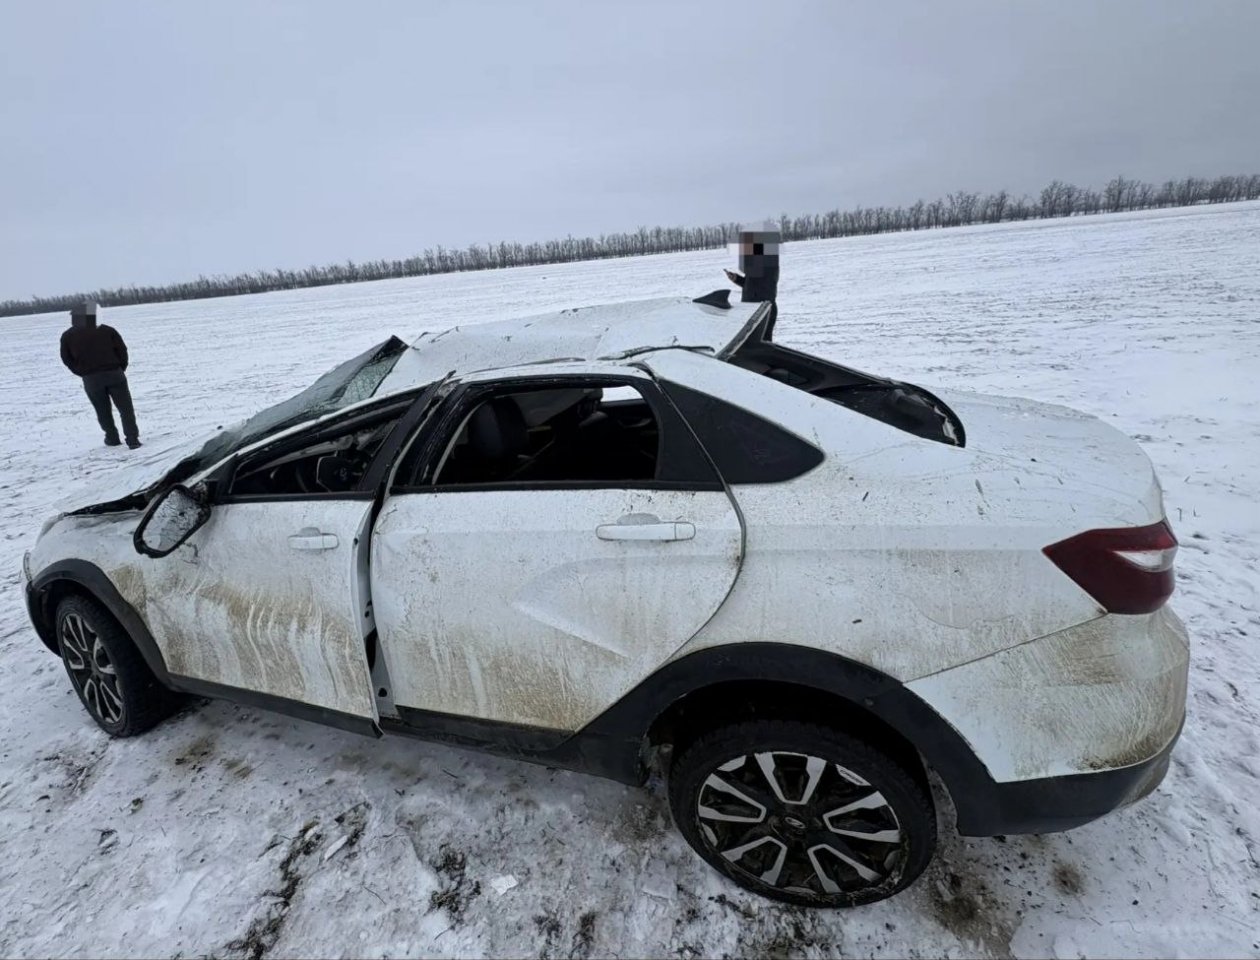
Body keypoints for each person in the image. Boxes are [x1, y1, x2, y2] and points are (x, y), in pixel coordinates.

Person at [59, 302, 142, 448]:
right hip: (115, 374)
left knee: (102, 411)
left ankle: (112, 438)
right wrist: (120, 368)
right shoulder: (108, 331)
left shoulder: (67, 336)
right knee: (125, 409)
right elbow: (122, 351)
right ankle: (132, 439)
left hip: (91, 379)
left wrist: (82, 372)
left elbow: (67, 359)